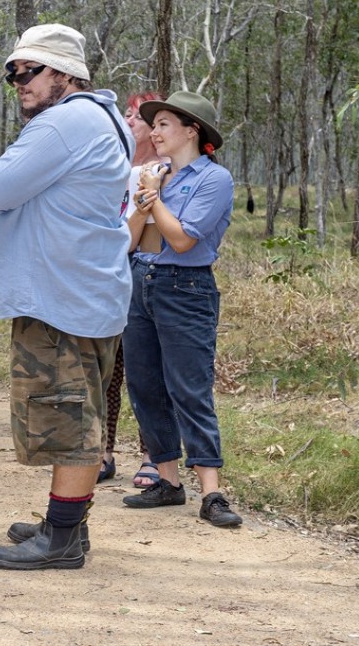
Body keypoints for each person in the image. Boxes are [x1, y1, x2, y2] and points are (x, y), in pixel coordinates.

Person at [0, 24, 133, 569]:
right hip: (81, 286)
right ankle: (67, 522)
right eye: (13, 72)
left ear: (64, 74)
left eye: (29, 71)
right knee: (74, 407)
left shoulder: (64, 122)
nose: (18, 82)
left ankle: (62, 539)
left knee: (67, 415)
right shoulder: (105, 117)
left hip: (60, 294)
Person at [120, 91, 242, 528]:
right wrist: (144, 198)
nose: (154, 131)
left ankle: (211, 492)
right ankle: (167, 481)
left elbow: (184, 239)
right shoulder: (150, 175)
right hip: (141, 281)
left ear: (192, 131)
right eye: (153, 125)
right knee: (145, 384)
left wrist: (154, 198)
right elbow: (131, 240)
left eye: (165, 124)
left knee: (189, 387)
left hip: (185, 287)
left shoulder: (213, 179)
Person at [100, 91, 163, 486]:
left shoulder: (163, 170)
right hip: (106, 271)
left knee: (145, 368)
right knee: (108, 368)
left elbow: (151, 235)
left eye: (135, 115)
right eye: (125, 114)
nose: (128, 120)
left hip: (144, 272)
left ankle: (152, 454)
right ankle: (103, 452)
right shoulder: (113, 166)